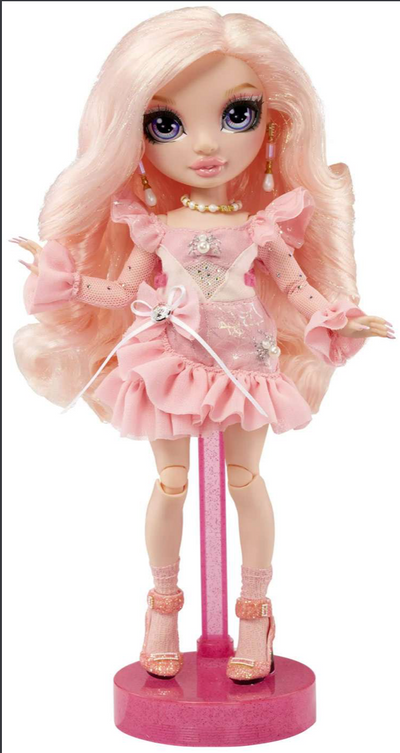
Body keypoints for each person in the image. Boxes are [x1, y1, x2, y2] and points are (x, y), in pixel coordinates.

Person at [11, 6, 394, 684]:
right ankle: (162, 608)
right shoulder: (152, 225)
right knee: (171, 481)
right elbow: (123, 291)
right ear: (133, 138)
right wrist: (63, 279)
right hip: (171, 358)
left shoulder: (264, 224)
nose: (207, 143)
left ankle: (254, 612)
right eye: (166, 124)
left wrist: (341, 316)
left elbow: (296, 286)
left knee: (246, 479)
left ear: (274, 124)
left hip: (246, 363)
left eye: (237, 114)